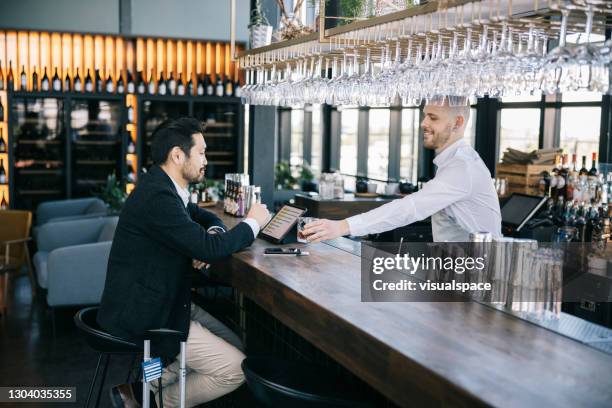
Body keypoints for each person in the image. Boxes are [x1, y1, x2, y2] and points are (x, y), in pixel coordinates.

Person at [97, 117, 270, 408]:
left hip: (166, 302)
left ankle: (143, 387)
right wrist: (253, 222)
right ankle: (157, 403)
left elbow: (203, 217)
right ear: (178, 155)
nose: (206, 160)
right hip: (148, 313)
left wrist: (212, 233)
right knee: (234, 369)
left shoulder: (164, 187)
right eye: (201, 152)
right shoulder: (158, 197)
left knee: (235, 345)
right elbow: (210, 249)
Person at [303, 99, 501, 243]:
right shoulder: (454, 162)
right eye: (425, 116)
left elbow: (410, 208)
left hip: (478, 274)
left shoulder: (463, 167)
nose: (423, 123)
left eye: (433, 117)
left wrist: (342, 226)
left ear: (457, 123)